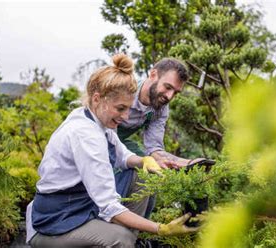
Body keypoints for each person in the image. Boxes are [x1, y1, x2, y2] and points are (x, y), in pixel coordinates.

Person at [25, 54, 197, 247]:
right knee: (120, 239)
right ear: (97, 99)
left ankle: (131, 240)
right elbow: (109, 207)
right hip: (53, 223)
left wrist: (143, 161)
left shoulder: (97, 121)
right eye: (121, 109)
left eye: (128, 109)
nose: (125, 117)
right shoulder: (87, 136)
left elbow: (123, 154)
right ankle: (126, 241)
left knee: (143, 177)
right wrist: (161, 229)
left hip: (78, 209)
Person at [117, 58, 209, 169]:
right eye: (168, 87)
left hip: (120, 144)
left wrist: (179, 162)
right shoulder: (122, 91)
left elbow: (154, 148)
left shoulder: (161, 108)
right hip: (96, 138)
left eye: (175, 92)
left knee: (150, 165)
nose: (169, 96)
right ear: (153, 75)